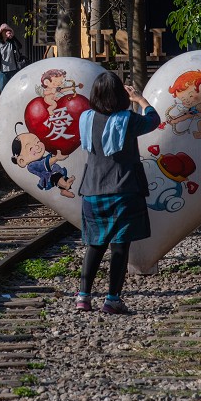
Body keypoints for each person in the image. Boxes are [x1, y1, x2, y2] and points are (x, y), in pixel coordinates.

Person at [75, 72, 160, 314]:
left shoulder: (86, 118)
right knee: (120, 247)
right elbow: (154, 120)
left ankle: (83, 297)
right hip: (124, 191)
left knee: (94, 244)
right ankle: (112, 299)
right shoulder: (128, 119)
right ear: (121, 95)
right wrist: (141, 100)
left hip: (92, 191)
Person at [0, 23, 27, 96]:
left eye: (8, 30)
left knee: (15, 88)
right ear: (1, 33)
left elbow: (19, 46)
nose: (7, 32)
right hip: (2, 71)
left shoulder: (12, 42)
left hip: (13, 69)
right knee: (3, 90)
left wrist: (13, 37)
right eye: (4, 31)